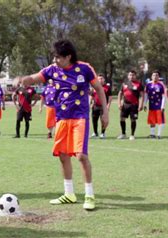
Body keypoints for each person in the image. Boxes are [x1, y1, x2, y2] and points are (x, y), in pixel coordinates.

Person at [13, 39, 109, 210]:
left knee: (81, 155)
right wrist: (21, 79)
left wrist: (105, 113)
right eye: (55, 57)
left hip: (80, 117)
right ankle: (69, 194)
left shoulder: (85, 68)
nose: (56, 60)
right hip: (62, 118)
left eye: (58, 57)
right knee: (63, 156)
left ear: (68, 56)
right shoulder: (52, 70)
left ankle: (89, 195)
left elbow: (99, 89)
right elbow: (34, 78)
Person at [117, 70, 144, 140]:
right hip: (125, 105)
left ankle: (132, 135)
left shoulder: (139, 84)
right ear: (128, 76)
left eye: (133, 75)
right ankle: (123, 134)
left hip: (134, 105)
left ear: (135, 76)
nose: (131, 76)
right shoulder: (124, 84)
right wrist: (119, 103)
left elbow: (142, 95)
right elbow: (120, 94)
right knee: (122, 119)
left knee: (133, 120)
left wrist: (141, 105)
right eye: (130, 75)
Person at [144, 70, 167, 139]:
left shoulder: (161, 85)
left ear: (159, 77)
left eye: (156, 75)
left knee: (160, 120)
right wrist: (145, 104)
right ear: (151, 76)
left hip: (159, 106)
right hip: (151, 106)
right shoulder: (148, 84)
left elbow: (164, 96)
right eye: (153, 75)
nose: (155, 76)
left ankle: (159, 134)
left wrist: (163, 106)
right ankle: (152, 134)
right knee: (152, 120)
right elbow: (146, 95)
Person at [90, 74, 112, 139]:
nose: (100, 80)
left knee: (103, 120)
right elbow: (92, 95)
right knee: (94, 120)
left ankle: (103, 133)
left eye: (101, 78)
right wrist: (91, 103)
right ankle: (95, 133)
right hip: (95, 106)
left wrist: (108, 105)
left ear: (104, 79)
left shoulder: (107, 88)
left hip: (103, 106)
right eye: (99, 78)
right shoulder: (95, 87)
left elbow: (110, 97)